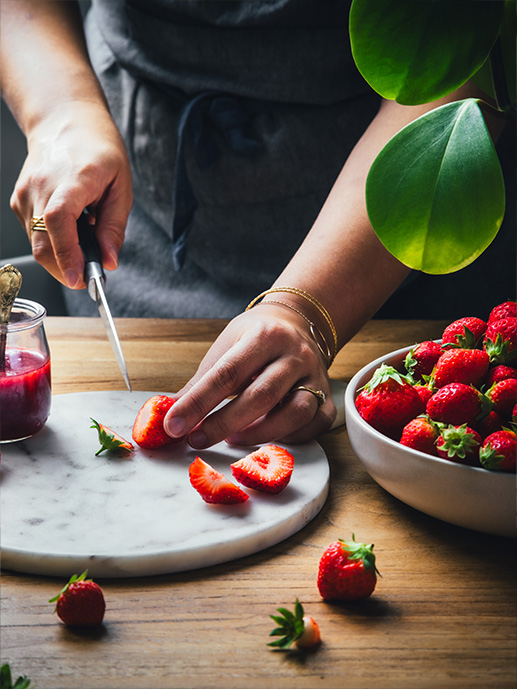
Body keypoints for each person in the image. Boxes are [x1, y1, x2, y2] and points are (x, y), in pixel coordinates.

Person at [1, 0, 513, 449]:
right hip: (138, 250)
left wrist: (305, 309)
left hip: (393, 282)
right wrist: (62, 115)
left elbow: (462, 55)